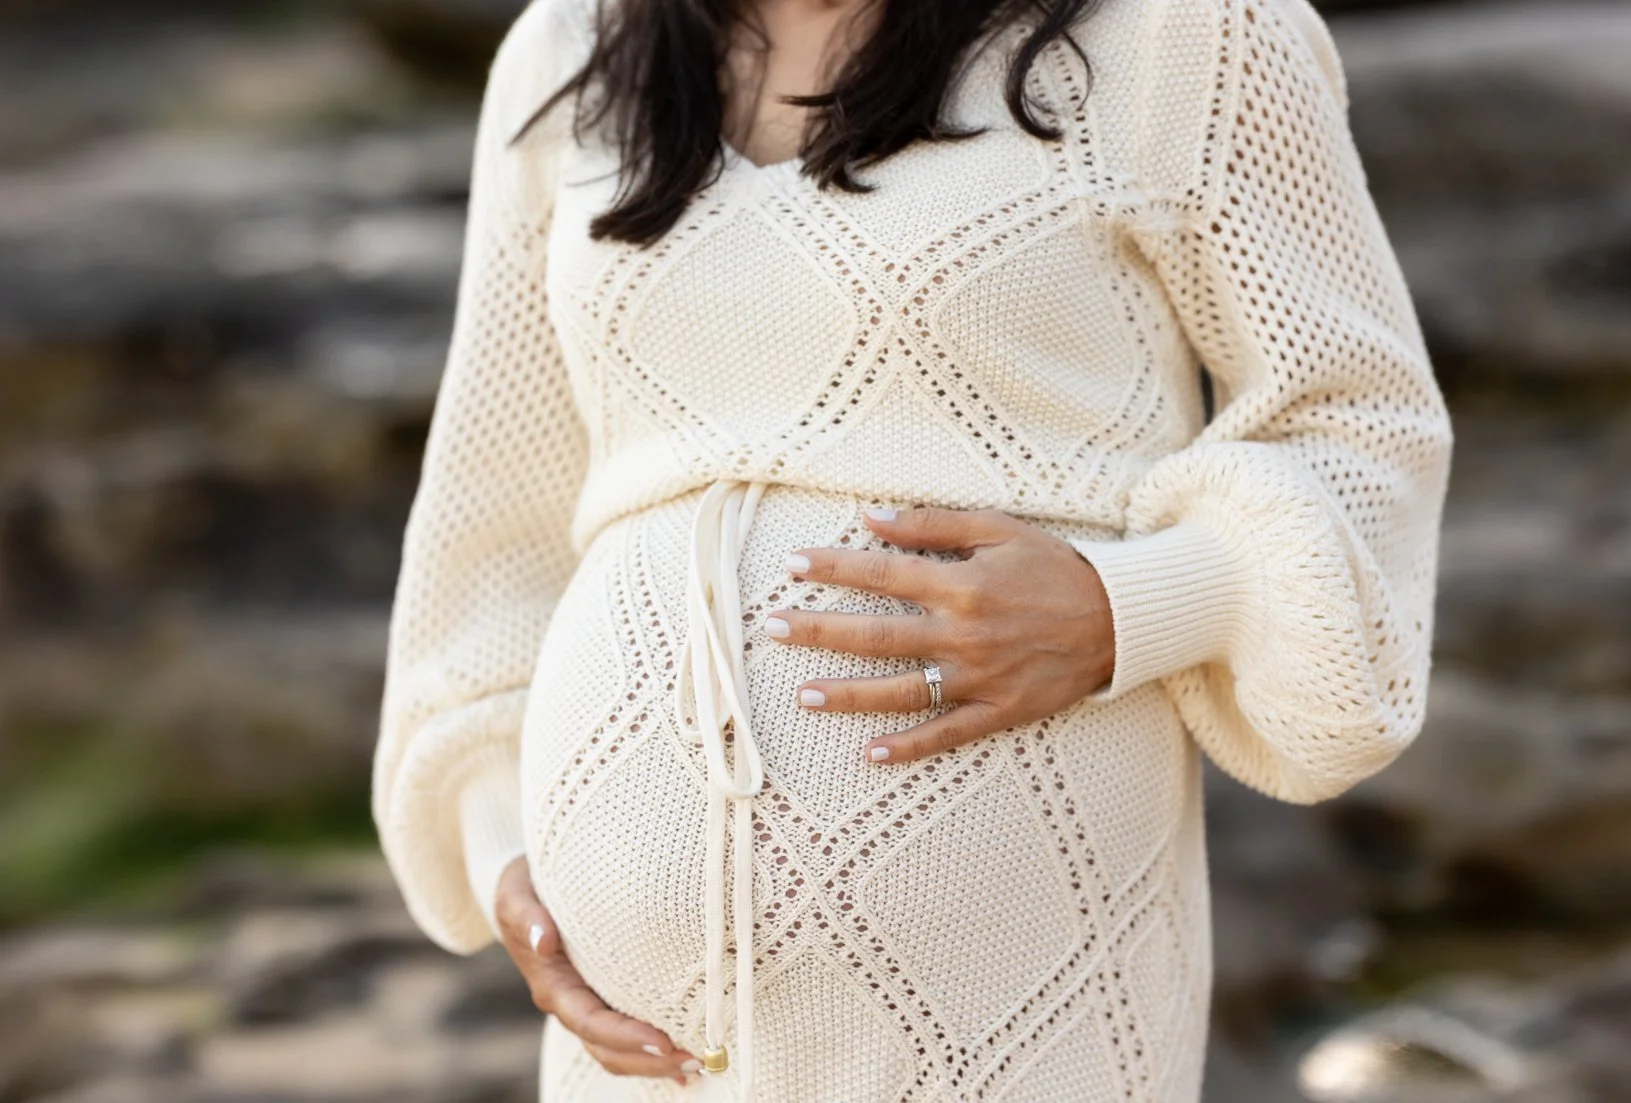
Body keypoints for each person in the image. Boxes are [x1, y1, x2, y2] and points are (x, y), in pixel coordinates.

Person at [371, 0, 1454, 1097]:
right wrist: (501, 842)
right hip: (644, 1052)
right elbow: (488, 537)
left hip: (1024, 1010)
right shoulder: (570, 48)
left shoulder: (1187, 32)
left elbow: (1364, 430)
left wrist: (1123, 607)